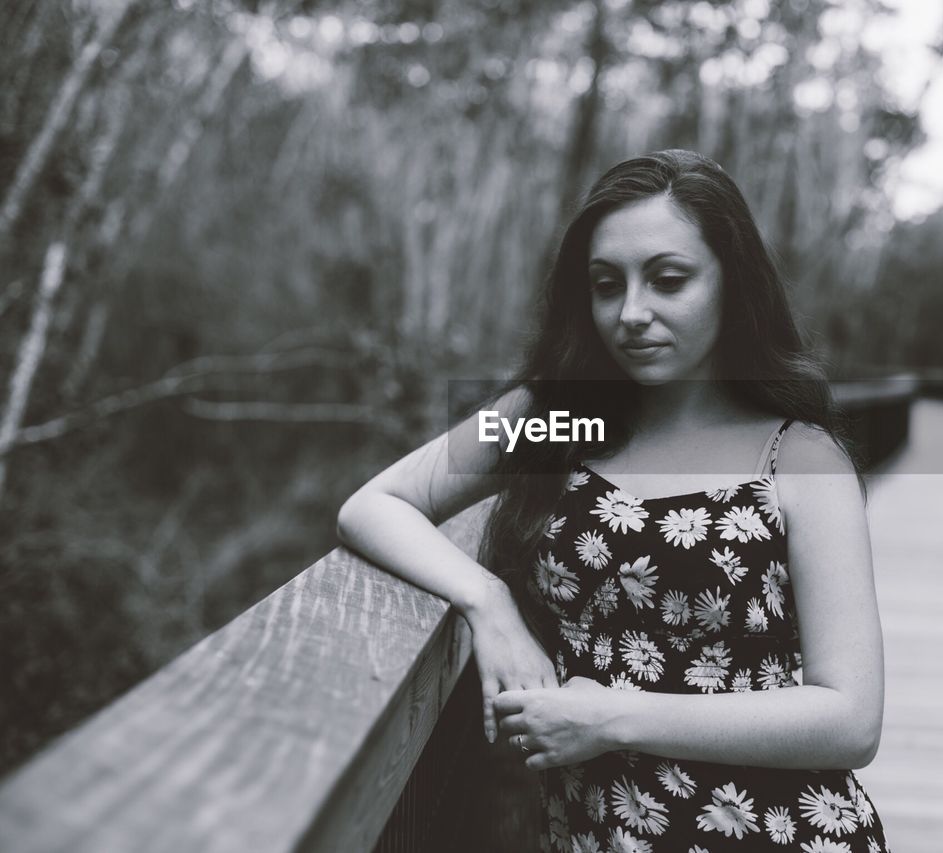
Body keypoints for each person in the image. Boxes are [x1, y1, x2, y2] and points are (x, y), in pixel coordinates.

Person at [337, 149, 889, 852]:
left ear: (733, 284)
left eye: (668, 279)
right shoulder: (562, 419)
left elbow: (852, 719)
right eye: (606, 284)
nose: (631, 312)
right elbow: (374, 505)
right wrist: (486, 600)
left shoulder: (795, 455)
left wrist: (614, 718)